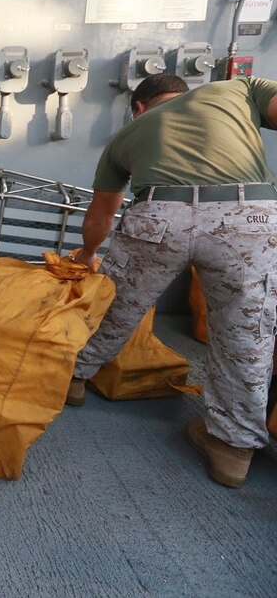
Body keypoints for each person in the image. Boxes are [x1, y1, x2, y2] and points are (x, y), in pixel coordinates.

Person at [68, 74, 277, 488]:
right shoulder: (240, 88)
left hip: (160, 214)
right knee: (246, 334)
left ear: (140, 107)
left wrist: (89, 255)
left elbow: (100, 217)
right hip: (246, 215)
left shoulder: (125, 137)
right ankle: (231, 449)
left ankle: (70, 379)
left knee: (112, 307)